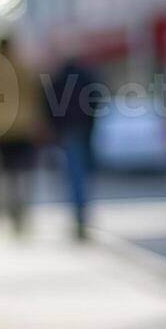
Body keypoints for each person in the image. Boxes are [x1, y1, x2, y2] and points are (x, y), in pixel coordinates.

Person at [0, 33, 44, 236]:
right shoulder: (23, 69)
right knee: (23, 171)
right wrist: (36, 122)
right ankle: (21, 208)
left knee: (5, 172)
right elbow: (33, 98)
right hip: (22, 127)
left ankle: (8, 208)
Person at [43, 51, 100, 240]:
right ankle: (81, 214)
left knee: (74, 173)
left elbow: (49, 105)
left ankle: (79, 214)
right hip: (82, 129)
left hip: (68, 131)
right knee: (80, 172)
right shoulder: (85, 77)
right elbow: (95, 100)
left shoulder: (58, 79)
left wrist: (55, 128)